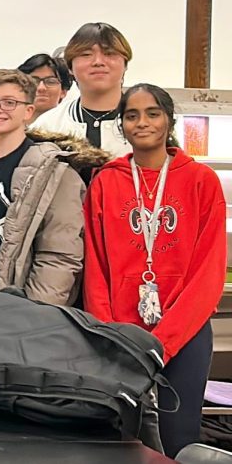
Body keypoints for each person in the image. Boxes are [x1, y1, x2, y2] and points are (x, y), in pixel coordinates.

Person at [84, 84, 226, 458]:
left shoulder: (200, 181)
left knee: (179, 440)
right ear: (122, 124)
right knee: (121, 442)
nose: (142, 122)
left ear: (169, 120)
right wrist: (112, 333)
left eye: (152, 113)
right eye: (131, 115)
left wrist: (164, 341)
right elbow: (96, 266)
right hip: (123, 337)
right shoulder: (105, 182)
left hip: (186, 332)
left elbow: (209, 270)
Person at [0, 69, 93, 317]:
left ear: (28, 111)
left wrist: (35, 314)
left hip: (24, 312)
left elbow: (60, 255)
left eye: (9, 102)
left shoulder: (56, 173)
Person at [33, 22, 132, 156]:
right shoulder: (48, 125)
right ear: (70, 67)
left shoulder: (153, 123)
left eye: (109, 53)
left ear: (125, 64)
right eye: (86, 54)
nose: (98, 61)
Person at [17, 53, 71, 122]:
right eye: (34, 81)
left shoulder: (73, 130)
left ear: (63, 91)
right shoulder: (4, 128)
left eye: (51, 82)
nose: (41, 88)